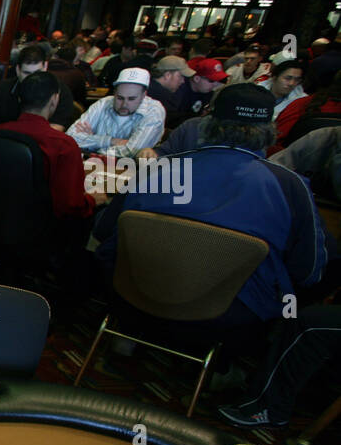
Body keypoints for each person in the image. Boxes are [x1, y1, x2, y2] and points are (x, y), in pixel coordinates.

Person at [94, 84, 332, 343]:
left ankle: (129, 330)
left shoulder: (157, 170)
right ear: (269, 132)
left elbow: (103, 231)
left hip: (134, 291)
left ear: (206, 123)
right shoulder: (289, 185)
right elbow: (308, 271)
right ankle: (236, 364)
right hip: (228, 314)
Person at [0, 72, 103, 252]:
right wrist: (93, 201)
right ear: (54, 99)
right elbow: (71, 206)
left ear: (19, 99)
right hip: (38, 239)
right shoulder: (63, 145)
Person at [67, 68, 166, 156]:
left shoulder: (154, 110)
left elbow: (131, 151)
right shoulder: (104, 103)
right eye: (119, 98)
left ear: (144, 95)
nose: (124, 104)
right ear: (114, 93)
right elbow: (70, 138)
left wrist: (92, 142)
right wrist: (111, 141)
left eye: (131, 99)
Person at [0, 44, 77, 131]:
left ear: (45, 66)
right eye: (27, 73)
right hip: (3, 142)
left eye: (37, 72)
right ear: (18, 70)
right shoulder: (3, 87)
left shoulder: (59, 91)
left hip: (39, 146)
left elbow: (56, 128)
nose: (32, 78)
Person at [265, 59, 306, 124]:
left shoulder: (301, 101)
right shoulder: (255, 90)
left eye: (297, 80)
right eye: (288, 78)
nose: (292, 83)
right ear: (274, 77)